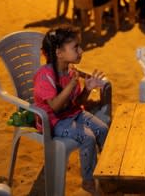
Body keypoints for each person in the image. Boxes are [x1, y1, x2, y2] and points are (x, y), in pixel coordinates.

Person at [33, 25, 108, 194]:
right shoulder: (45, 76)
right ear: (59, 53)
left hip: (72, 113)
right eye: (76, 47)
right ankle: (88, 181)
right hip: (53, 121)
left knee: (103, 129)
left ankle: (106, 170)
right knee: (87, 137)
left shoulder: (70, 71)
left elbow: (77, 102)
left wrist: (87, 89)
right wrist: (72, 84)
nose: (81, 50)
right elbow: (55, 106)